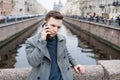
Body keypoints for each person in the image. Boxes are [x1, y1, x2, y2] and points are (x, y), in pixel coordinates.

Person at [25, 10, 85, 80]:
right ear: (45, 23)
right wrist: (42, 41)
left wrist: (75, 64)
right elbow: (33, 62)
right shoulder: (31, 41)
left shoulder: (61, 39)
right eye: (53, 25)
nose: (56, 30)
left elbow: (65, 53)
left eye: (58, 27)